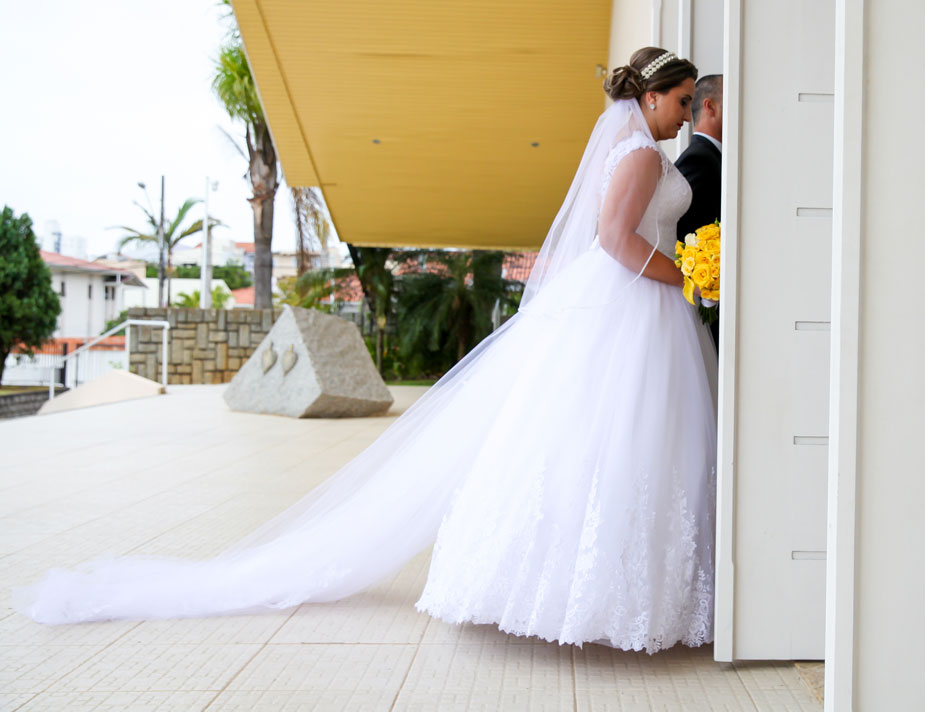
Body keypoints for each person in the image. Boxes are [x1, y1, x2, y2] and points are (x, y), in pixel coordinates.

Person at [11, 46, 720, 656]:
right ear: (650, 96)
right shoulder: (636, 155)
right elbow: (617, 240)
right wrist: (687, 277)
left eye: (692, 103)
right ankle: (584, 596)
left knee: (618, 441)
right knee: (615, 439)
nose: (686, 114)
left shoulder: (641, 151)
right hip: (635, 304)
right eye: (682, 101)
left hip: (638, 309)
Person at [675, 73, 723, 351]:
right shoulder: (699, 159)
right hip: (703, 300)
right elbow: (684, 232)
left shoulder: (713, 157)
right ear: (710, 106)